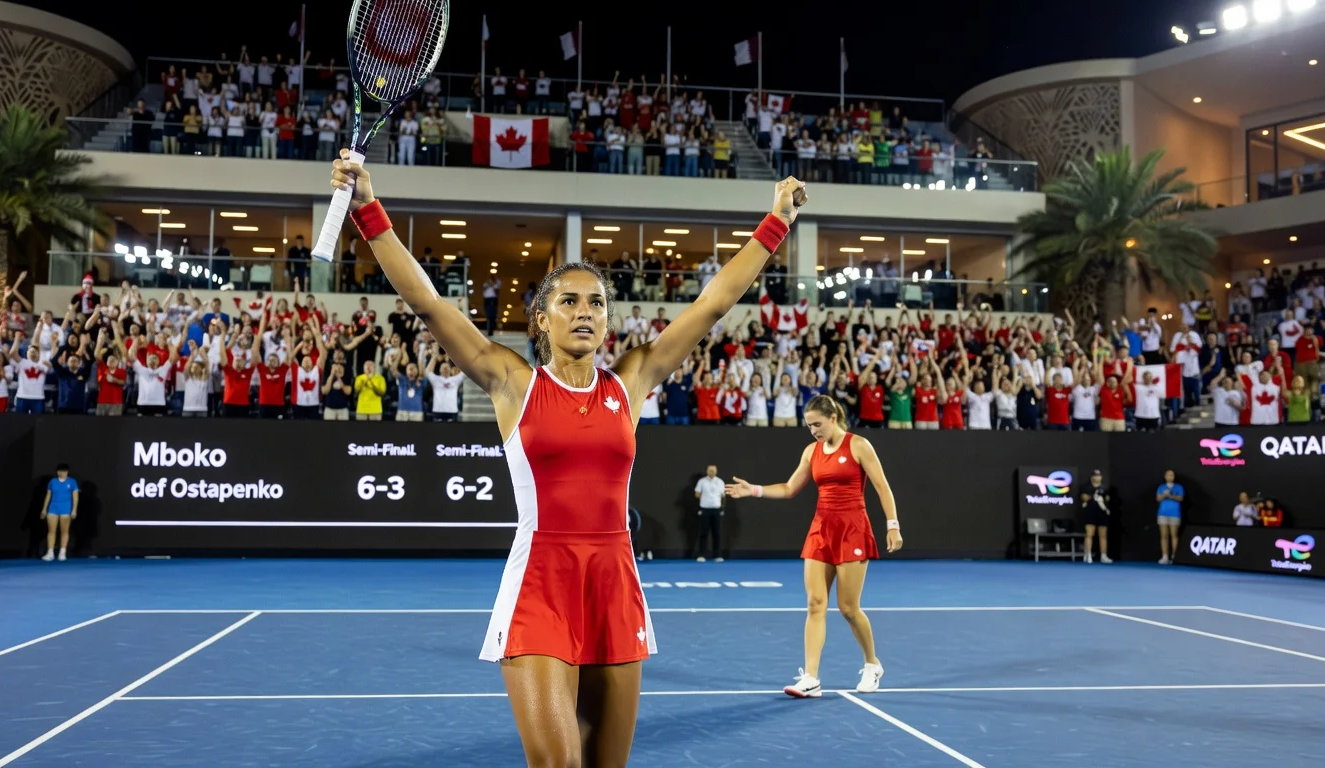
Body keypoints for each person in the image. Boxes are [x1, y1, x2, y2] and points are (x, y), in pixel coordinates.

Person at [331, 148, 808, 768]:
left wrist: (776, 223)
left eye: (597, 304)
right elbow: (429, 304)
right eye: (570, 302)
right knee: (557, 763)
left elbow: (711, 305)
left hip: (615, 581)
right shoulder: (511, 382)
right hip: (540, 585)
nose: (585, 312)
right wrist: (368, 208)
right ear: (540, 318)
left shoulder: (630, 381)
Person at [723, 395, 901, 698]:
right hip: (820, 531)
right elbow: (790, 488)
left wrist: (893, 525)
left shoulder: (859, 446)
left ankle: (872, 664)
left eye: (817, 424)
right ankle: (811, 678)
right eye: (809, 426)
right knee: (815, 604)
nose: (813, 431)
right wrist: (753, 490)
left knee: (847, 608)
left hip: (853, 530)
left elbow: (883, 486)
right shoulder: (811, 452)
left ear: (833, 417)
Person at [40, 463, 79, 561]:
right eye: (61, 471)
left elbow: (75, 497)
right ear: (58, 472)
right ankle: (50, 553)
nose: (64, 473)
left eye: (65, 471)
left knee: (64, 531)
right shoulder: (52, 482)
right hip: (53, 508)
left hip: (66, 509)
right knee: (51, 531)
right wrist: (44, 509)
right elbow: (48, 495)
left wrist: (74, 510)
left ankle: (62, 553)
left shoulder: (72, 482)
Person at [1079, 469, 1113, 564]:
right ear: (1091, 477)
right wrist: (1090, 497)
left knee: (1103, 535)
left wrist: (1104, 499)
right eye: (1094, 476)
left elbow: (1108, 499)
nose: (1096, 477)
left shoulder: (1105, 488)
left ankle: (1103, 555)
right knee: (1089, 534)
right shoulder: (1086, 488)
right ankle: (1087, 554)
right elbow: (1083, 497)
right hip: (1090, 513)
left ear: (1101, 477)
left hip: (1102, 514)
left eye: (1098, 476)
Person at [694, 464, 726, 562]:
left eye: (713, 470)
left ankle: (717, 555)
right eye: (710, 470)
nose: (712, 472)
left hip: (716, 510)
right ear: (707, 471)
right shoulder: (702, 481)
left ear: (716, 471)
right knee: (703, 533)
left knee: (717, 533)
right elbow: (697, 493)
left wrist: (722, 508)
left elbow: (723, 496)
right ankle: (701, 555)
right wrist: (705, 499)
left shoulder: (720, 482)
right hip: (705, 509)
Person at [1155, 470, 1184, 565]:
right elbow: (1158, 499)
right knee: (1164, 536)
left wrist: (1170, 496)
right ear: (1165, 476)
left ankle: (1174, 556)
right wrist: (1164, 495)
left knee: (1174, 535)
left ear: (1174, 477)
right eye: (1168, 475)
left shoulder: (1179, 487)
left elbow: (1180, 498)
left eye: (1172, 475)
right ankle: (1165, 556)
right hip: (1162, 513)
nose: (1170, 476)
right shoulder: (1161, 487)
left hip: (1175, 514)